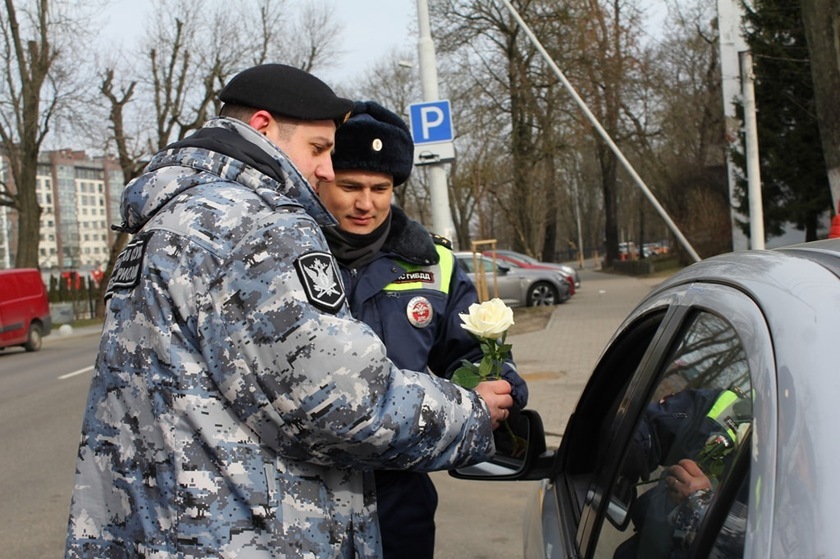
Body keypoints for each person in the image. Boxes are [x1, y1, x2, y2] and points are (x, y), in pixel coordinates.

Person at [65, 63, 514, 559]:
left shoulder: (166, 219)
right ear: (261, 127)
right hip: (241, 533)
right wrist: (470, 414)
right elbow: (343, 406)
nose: (325, 169)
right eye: (319, 150)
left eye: (379, 187)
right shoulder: (262, 225)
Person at [315, 100, 528, 559]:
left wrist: (497, 381)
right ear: (323, 178)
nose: (365, 203)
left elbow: (466, 353)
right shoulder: (287, 255)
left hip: (400, 496)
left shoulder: (436, 264)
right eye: (350, 186)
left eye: (380, 187)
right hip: (305, 499)